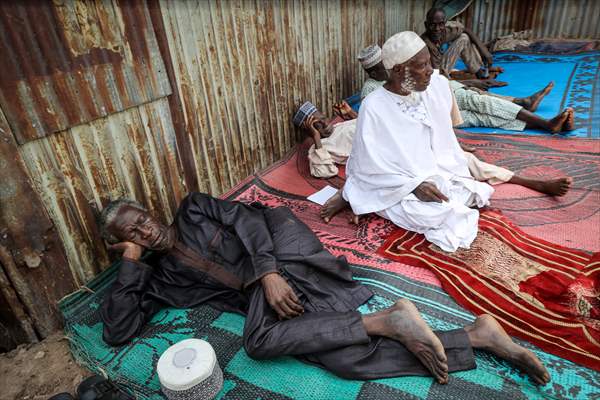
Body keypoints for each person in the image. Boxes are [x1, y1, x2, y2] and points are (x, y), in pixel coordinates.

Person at [99, 193, 550, 385]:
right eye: (132, 236)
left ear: (150, 211)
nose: (145, 233)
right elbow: (117, 332)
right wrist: (131, 264)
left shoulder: (193, 208)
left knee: (257, 342)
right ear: (126, 245)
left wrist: (268, 273)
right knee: (345, 359)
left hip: (285, 254)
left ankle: (385, 321)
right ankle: (476, 336)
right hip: (270, 298)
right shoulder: (156, 279)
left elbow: (252, 220)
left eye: (142, 222)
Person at [421, 7, 499, 78]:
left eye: (440, 24)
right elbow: (436, 75)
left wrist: (484, 51)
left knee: (464, 38)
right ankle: (477, 75)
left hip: (440, 64)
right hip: (434, 73)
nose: (437, 29)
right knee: (442, 79)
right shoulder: (426, 43)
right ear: (426, 25)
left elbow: (466, 30)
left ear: (444, 24)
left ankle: (477, 70)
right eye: (432, 25)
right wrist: (471, 83)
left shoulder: (446, 31)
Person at [293, 101, 357, 178]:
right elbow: (324, 172)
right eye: (318, 125)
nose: (325, 124)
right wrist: (316, 136)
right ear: (310, 131)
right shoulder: (320, 147)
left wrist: (351, 113)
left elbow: (364, 124)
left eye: (323, 118)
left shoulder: (336, 126)